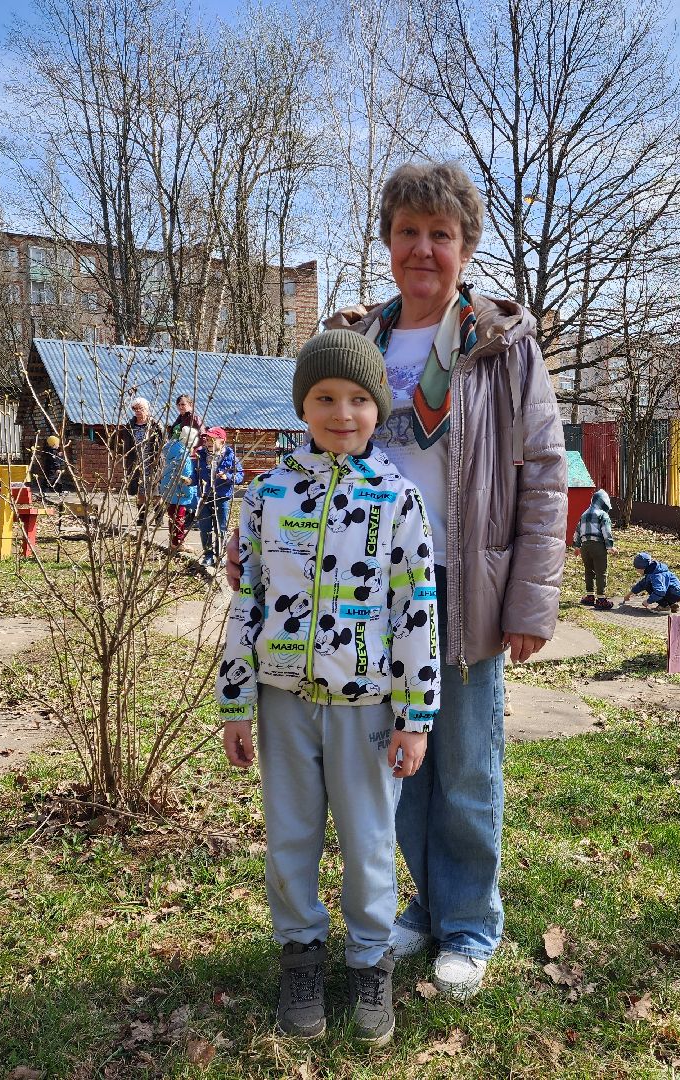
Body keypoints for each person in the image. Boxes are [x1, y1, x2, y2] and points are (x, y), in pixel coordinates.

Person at [227, 161, 565, 1000]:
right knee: (395, 766)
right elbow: (315, 451)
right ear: (388, 243)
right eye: (408, 232)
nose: (423, 249)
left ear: (465, 247)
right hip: (366, 599)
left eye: (440, 235)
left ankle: (472, 921)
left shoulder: (501, 346)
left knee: (468, 763)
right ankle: (423, 905)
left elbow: (546, 474)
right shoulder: (360, 340)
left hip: (468, 584)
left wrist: (530, 598)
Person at [218, 329, 440, 1045]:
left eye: (355, 399)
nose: (340, 412)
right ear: (301, 406)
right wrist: (235, 703)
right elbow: (247, 598)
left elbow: (416, 609)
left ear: (377, 408)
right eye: (323, 398)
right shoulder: (266, 495)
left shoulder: (398, 500)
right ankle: (301, 956)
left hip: (367, 707)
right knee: (291, 836)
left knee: (371, 842)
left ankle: (370, 963)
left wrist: (416, 716)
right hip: (284, 703)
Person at [195, 427, 241, 567]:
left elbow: (240, 476)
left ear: (222, 441)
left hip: (222, 497)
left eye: (213, 439)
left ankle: (220, 555)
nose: (209, 442)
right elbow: (195, 473)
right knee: (205, 528)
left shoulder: (230, 457)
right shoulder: (201, 455)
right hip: (205, 496)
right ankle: (208, 556)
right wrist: (190, 480)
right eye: (207, 439)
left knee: (221, 528)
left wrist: (227, 476)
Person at [118, 397, 164, 527]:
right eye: (135, 409)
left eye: (141, 408)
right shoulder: (129, 426)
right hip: (136, 463)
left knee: (155, 492)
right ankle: (141, 518)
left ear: (147, 409)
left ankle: (158, 518)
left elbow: (163, 443)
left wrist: (158, 460)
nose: (138, 411)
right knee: (140, 491)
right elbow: (123, 443)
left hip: (152, 462)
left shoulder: (155, 425)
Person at [572, 488, 616, 610]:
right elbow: (606, 531)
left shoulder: (584, 514)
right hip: (598, 545)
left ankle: (590, 596)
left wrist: (577, 546)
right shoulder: (603, 514)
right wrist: (610, 546)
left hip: (585, 547)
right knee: (601, 571)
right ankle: (601, 599)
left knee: (588, 570)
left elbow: (577, 531)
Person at [160, 427, 199, 550]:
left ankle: (174, 540)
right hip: (178, 492)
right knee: (179, 518)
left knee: (173, 516)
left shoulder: (172, 448)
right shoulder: (184, 457)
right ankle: (178, 542)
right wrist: (188, 493)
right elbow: (185, 479)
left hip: (168, 488)